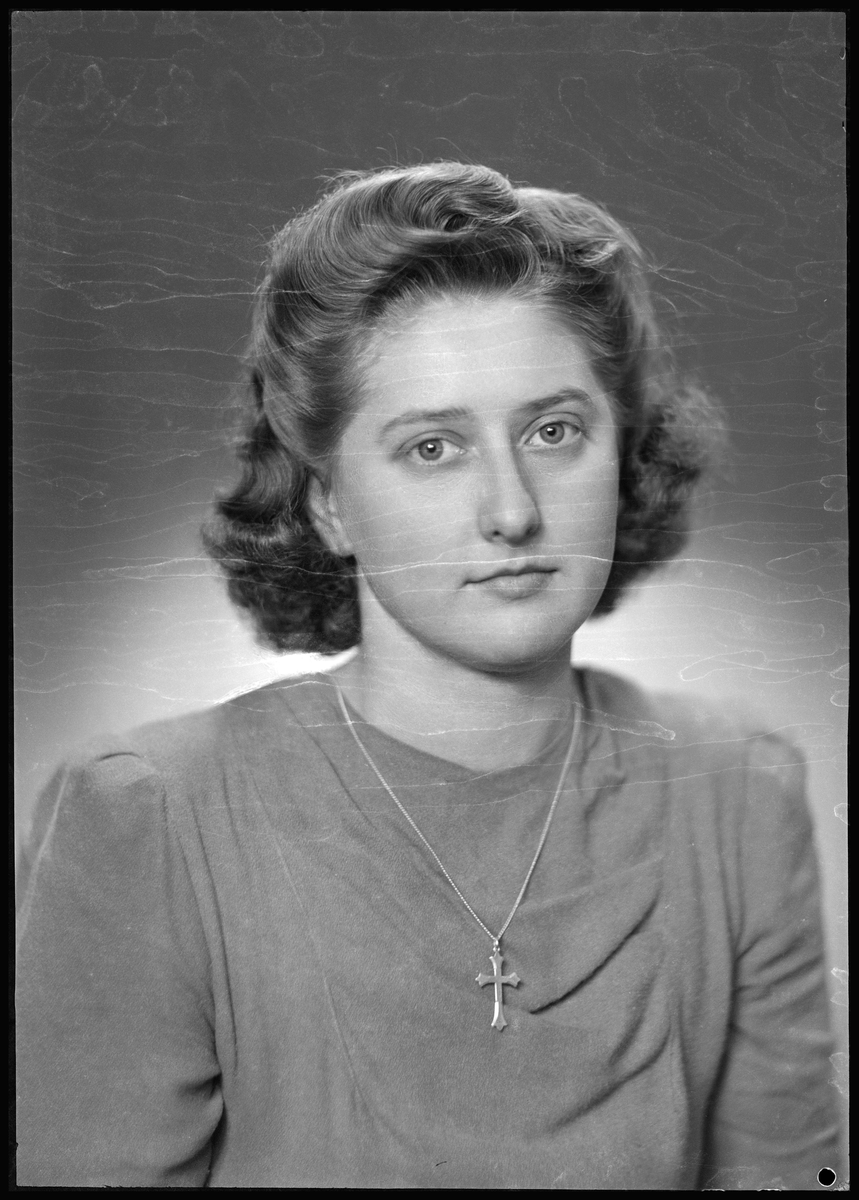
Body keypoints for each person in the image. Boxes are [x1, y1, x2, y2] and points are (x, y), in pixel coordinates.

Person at [16, 163, 840, 1189]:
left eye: (552, 432)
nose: (512, 511)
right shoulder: (149, 816)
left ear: (622, 451)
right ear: (328, 504)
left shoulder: (738, 793)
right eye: (433, 447)